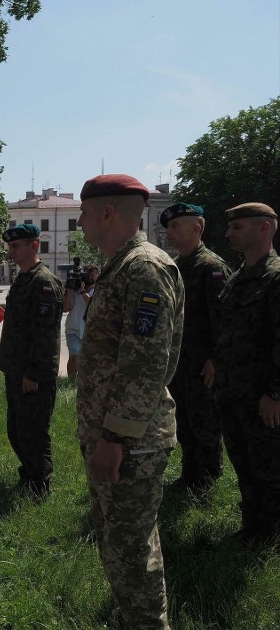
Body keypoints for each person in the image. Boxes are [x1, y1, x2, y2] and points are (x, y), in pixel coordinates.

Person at [76, 174, 184, 630]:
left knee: (130, 550)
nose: (78, 222)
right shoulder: (122, 265)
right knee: (121, 544)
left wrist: (116, 438)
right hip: (118, 436)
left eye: (83, 213)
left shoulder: (143, 268)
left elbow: (145, 363)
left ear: (106, 212)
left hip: (130, 443)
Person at [207, 202, 280, 546]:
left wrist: (275, 394)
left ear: (264, 228)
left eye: (237, 227)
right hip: (232, 393)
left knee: (269, 468)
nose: (227, 234)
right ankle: (253, 528)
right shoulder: (238, 278)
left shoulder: (275, 278)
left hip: (262, 398)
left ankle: (270, 536)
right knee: (244, 465)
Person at [160, 202, 231, 493]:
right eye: (168, 228)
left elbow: (226, 320)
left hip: (204, 365)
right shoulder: (177, 266)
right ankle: (190, 475)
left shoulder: (212, 267)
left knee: (205, 423)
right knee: (185, 422)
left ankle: (207, 480)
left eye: (176, 226)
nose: (169, 233)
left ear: (197, 228)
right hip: (181, 362)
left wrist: (216, 359)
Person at [0, 223, 63, 498]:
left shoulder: (44, 282)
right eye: (10, 246)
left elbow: (45, 333)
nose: (11, 251)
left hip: (33, 375)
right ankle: (29, 477)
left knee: (33, 432)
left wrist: (34, 374)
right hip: (16, 369)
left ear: (33, 246)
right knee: (17, 430)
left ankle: (39, 486)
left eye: (16, 246)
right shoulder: (24, 278)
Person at [62, 263, 100, 380]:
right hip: (73, 329)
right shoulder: (75, 290)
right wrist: (69, 290)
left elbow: (92, 305)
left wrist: (83, 292)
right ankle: (71, 381)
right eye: (88, 275)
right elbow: (66, 308)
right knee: (74, 356)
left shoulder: (99, 290)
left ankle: (83, 381)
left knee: (88, 360)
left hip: (90, 331)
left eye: (92, 275)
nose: (90, 278)